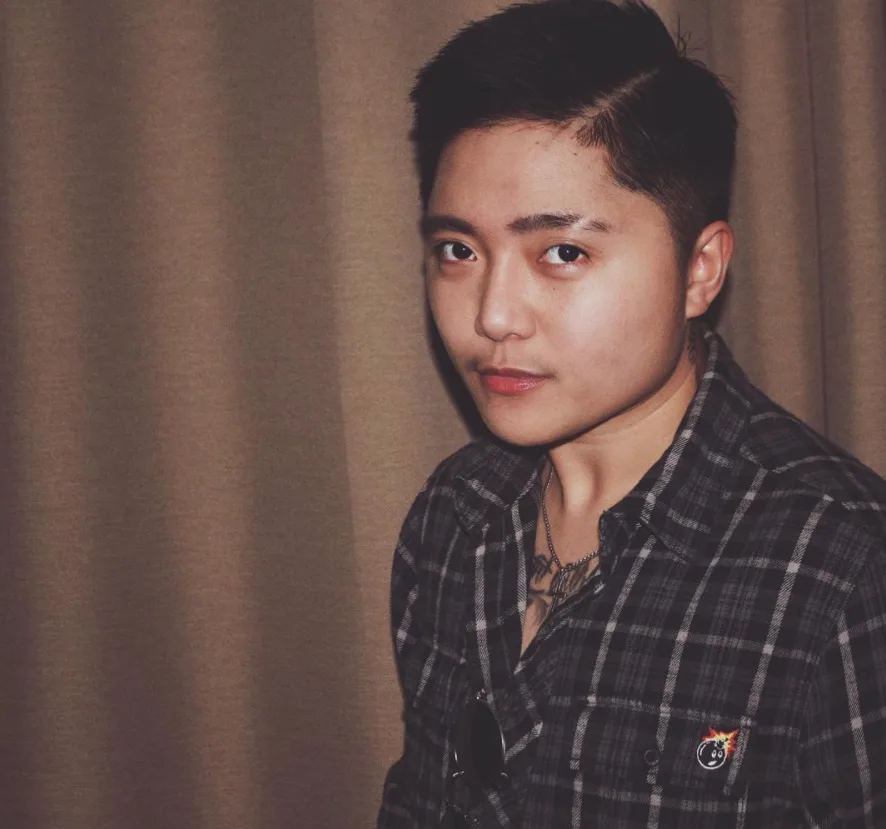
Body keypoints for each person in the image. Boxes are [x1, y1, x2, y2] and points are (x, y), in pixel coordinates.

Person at [377, 1, 886, 826]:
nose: (493, 314)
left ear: (700, 269)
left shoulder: (842, 567)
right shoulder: (451, 517)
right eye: (458, 250)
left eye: (562, 252)